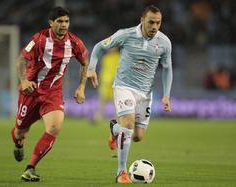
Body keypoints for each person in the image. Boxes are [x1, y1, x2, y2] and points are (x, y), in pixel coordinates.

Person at [88, 5, 173, 183]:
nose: (155, 27)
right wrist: (91, 68)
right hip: (123, 86)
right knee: (127, 126)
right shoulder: (125, 34)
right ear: (142, 20)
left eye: (158, 23)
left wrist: (166, 94)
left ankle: (114, 128)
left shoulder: (164, 42)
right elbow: (98, 47)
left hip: (145, 93)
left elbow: (167, 68)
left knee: (137, 136)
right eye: (151, 22)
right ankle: (121, 172)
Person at [11, 7, 90, 182]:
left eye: (66, 21)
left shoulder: (75, 43)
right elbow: (21, 59)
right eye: (60, 21)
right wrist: (24, 81)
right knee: (20, 132)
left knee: (54, 127)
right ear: (51, 23)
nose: (64, 25)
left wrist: (81, 87)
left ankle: (30, 168)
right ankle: (18, 143)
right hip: (31, 91)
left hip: (53, 92)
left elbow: (85, 62)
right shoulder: (39, 39)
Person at [93, 48, 119, 121]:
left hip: (115, 83)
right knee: (102, 100)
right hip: (105, 82)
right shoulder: (105, 57)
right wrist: (100, 80)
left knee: (117, 102)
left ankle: (117, 118)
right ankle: (98, 117)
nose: (110, 49)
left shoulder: (119, 57)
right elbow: (103, 69)